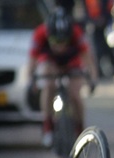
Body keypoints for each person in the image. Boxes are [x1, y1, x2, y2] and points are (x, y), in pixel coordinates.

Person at [28, 7, 99, 147]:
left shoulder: (77, 33)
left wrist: (92, 79)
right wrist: (32, 81)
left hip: (72, 62)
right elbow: (32, 61)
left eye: (63, 42)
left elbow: (88, 60)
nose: (60, 47)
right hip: (50, 61)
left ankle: (79, 128)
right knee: (48, 86)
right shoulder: (39, 34)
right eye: (55, 41)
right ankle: (47, 125)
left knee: (75, 93)